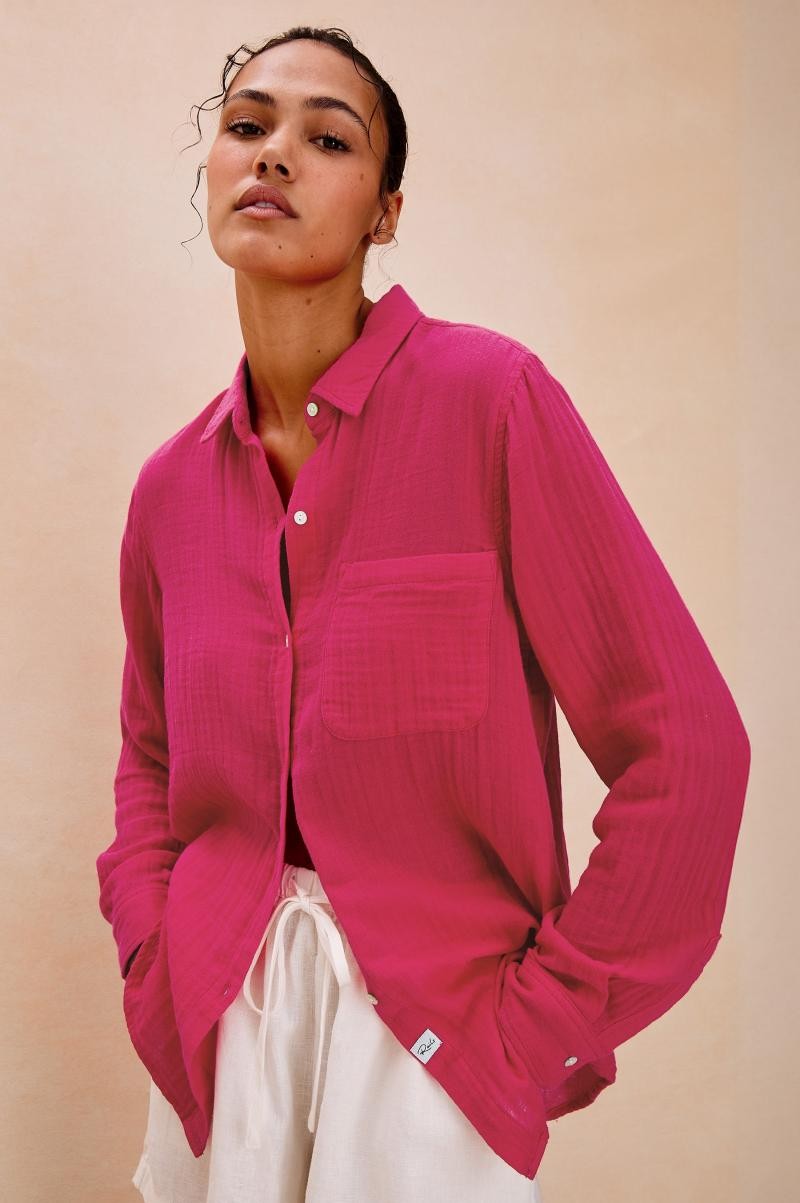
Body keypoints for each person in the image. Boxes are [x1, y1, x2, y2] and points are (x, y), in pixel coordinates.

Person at [96, 23, 750, 1203]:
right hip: (214, 1025)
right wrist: (152, 952)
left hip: (434, 1047)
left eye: (326, 138)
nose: (272, 153)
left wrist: (540, 1025)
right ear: (212, 168)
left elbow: (686, 749)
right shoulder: (168, 490)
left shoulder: (489, 403)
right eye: (246, 125)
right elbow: (150, 758)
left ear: (384, 212)